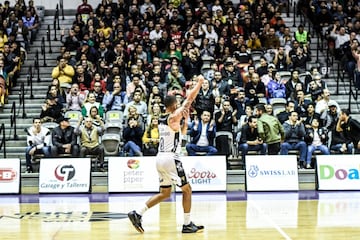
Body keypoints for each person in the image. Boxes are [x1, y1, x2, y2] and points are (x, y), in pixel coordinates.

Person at [128, 75, 205, 234]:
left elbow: (181, 132)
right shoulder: (173, 116)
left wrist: (186, 116)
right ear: (175, 104)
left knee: (165, 192)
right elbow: (189, 98)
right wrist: (199, 83)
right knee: (187, 190)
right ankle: (187, 224)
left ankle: (138, 213)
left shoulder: (163, 118)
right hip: (171, 158)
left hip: (160, 158)